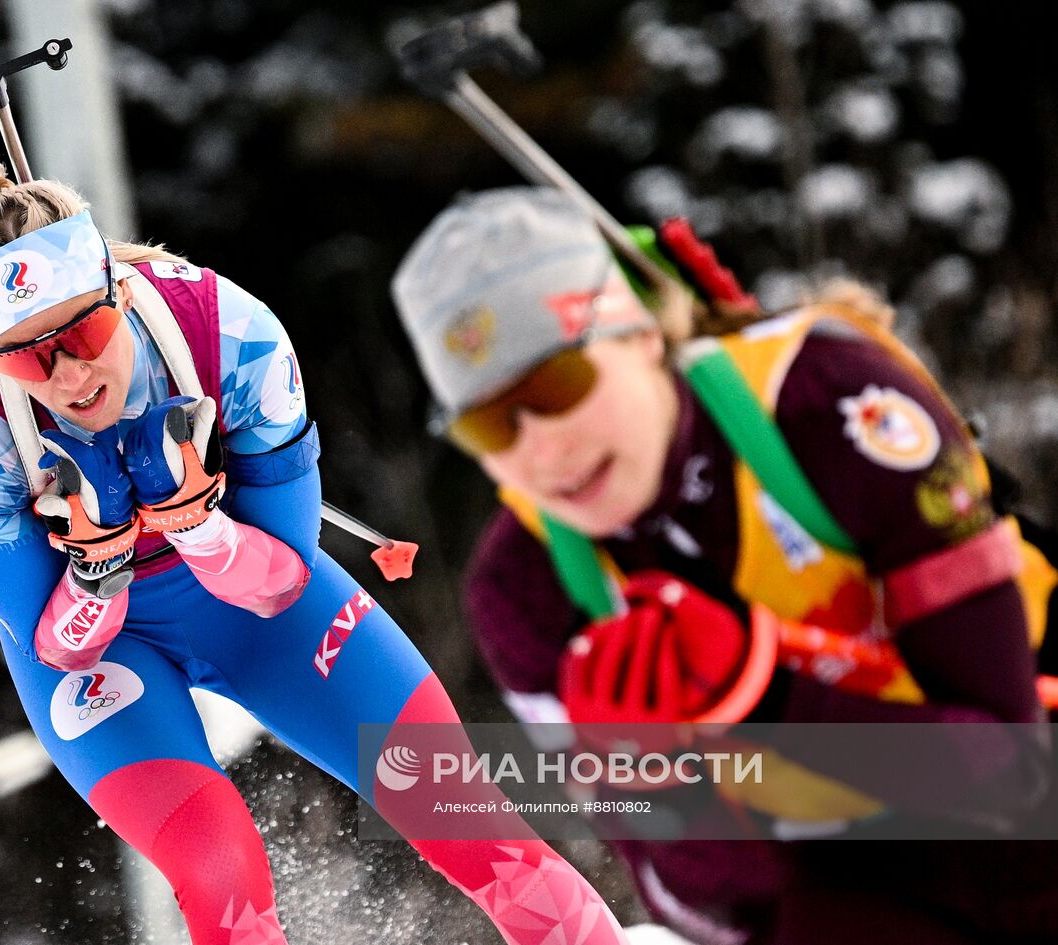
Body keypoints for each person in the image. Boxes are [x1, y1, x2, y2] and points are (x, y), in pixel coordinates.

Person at [0, 162, 631, 945]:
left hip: (254, 599)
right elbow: (53, 641)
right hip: (103, 649)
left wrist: (198, 527)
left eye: (83, 333)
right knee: (220, 871)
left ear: (118, 289)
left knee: (466, 813)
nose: (68, 374)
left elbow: (283, 577)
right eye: (27, 357)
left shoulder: (231, 334)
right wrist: (98, 565)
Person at [390, 186, 1058, 945]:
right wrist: (660, 794)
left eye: (557, 386)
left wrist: (761, 691)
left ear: (640, 333)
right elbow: (722, 915)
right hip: (857, 877)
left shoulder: (837, 408)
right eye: (488, 423)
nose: (540, 451)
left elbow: (1018, 778)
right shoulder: (527, 589)